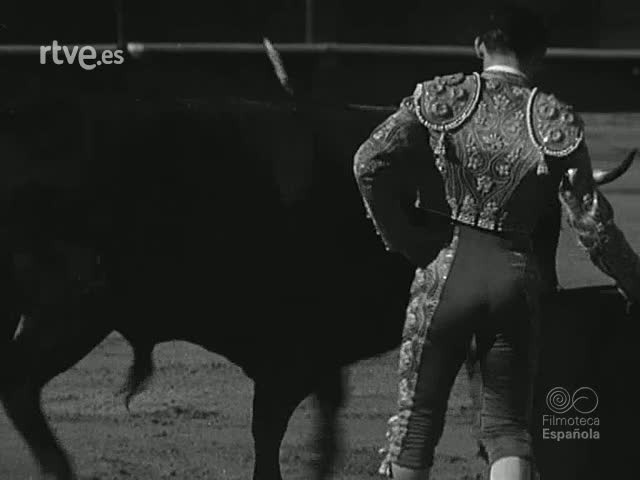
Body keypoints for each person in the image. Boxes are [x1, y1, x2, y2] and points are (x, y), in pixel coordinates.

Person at [352, 5, 640, 480]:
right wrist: (633, 280)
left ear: (479, 46)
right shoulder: (554, 119)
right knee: (508, 428)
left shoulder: (442, 96)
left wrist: (403, 238)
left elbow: (368, 162)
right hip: (516, 280)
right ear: (540, 55)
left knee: (416, 425)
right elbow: (593, 224)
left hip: (445, 273)